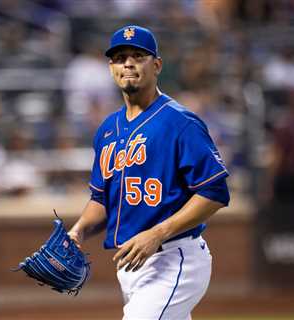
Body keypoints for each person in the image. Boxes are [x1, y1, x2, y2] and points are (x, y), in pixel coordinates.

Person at [68, 25, 230, 320]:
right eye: (119, 57)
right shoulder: (107, 130)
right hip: (131, 267)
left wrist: (157, 233)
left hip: (174, 257)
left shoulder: (180, 122)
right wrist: (78, 232)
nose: (127, 63)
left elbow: (214, 192)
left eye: (137, 56)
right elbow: (102, 199)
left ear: (156, 65)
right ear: (111, 68)